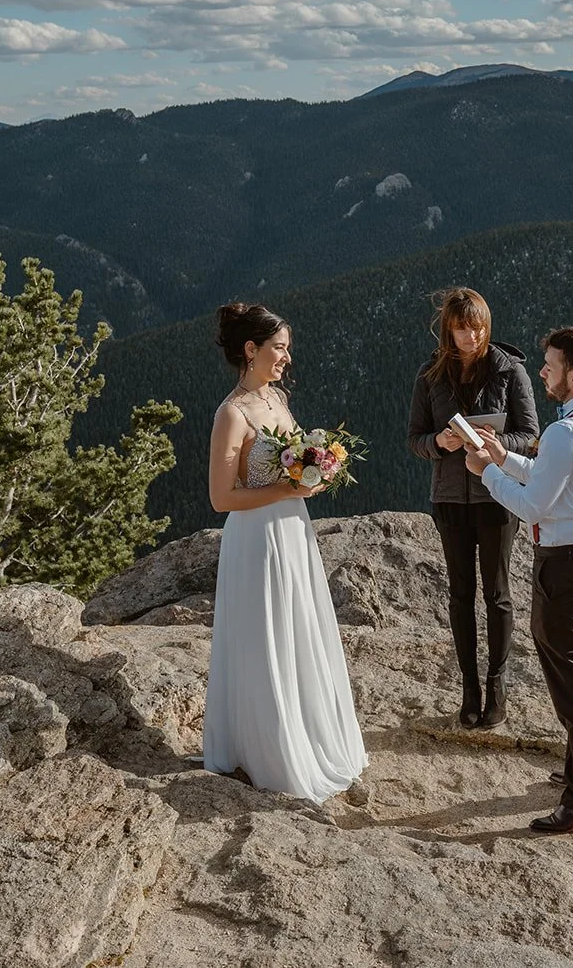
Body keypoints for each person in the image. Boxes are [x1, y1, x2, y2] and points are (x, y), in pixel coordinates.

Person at [202, 302, 367, 803]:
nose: (285, 359)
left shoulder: (275, 399)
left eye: (287, 350)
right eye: (278, 349)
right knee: (265, 639)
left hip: (293, 532)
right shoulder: (232, 413)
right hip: (256, 539)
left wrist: (313, 470)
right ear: (250, 350)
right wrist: (291, 489)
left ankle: (309, 734)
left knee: (296, 631)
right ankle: (269, 751)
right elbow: (220, 498)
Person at [465, 325, 573, 834]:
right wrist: (502, 457)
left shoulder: (563, 432)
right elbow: (551, 473)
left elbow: (533, 504)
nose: (543, 372)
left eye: (551, 366)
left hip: (567, 563)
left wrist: (485, 475)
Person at [408, 288, 539, 730]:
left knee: (497, 592)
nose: (473, 335)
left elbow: (532, 436)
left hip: (498, 496)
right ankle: (469, 688)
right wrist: (438, 443)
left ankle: (497, 684)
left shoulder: (510, 370)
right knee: (460, 595)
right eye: (464, 327)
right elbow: (415, 440)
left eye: (480, 326)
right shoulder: (429, 375)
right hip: (448, 497)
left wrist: (499, 446)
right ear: (450, 327)